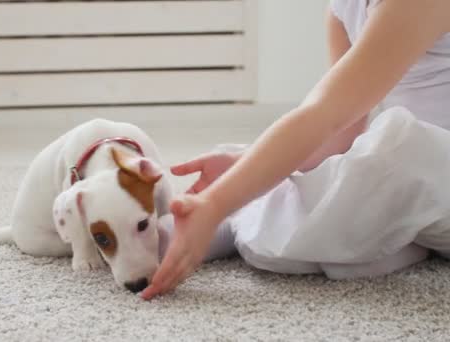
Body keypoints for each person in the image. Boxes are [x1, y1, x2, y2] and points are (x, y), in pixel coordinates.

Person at [141, 0, 450, 300]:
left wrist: (217, 202)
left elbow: (326, 113)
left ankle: (229, 217)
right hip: (428, 193)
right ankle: (226, 214)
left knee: (394, 146)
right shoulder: (342, 9)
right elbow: (341, 133)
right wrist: (241, 163)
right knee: (328, 164)